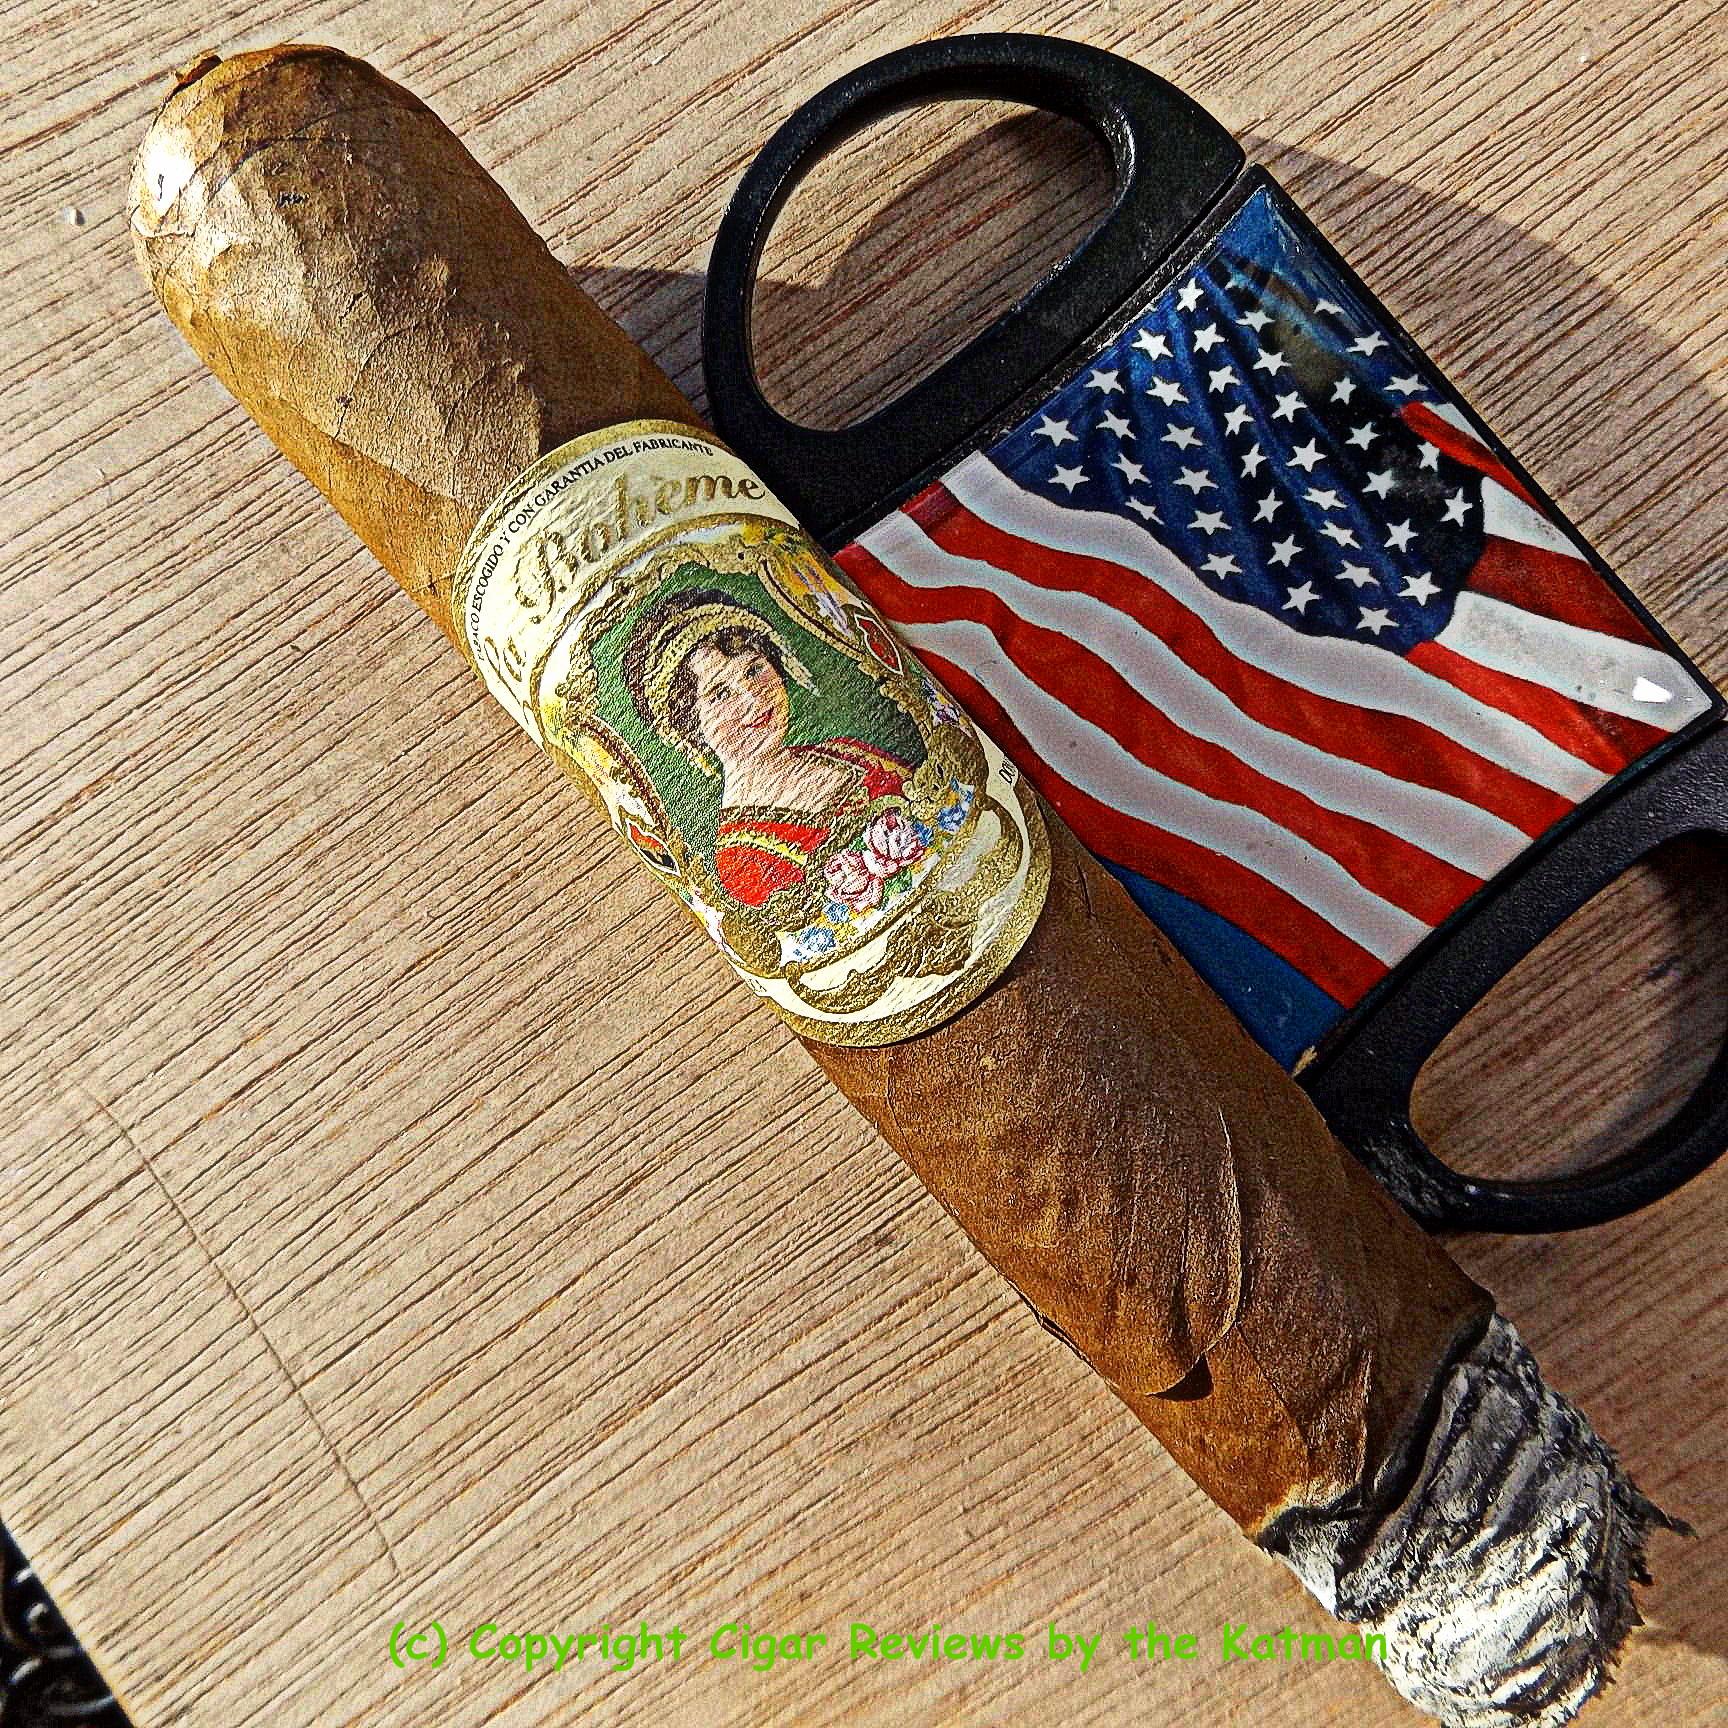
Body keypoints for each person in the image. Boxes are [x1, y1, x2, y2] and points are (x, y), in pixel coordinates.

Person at [624, 586, 913, 909]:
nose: (754, 697)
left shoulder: (846, 753)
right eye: (721, 694)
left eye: (754, 669)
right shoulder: (743, 860)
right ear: (691, 725)